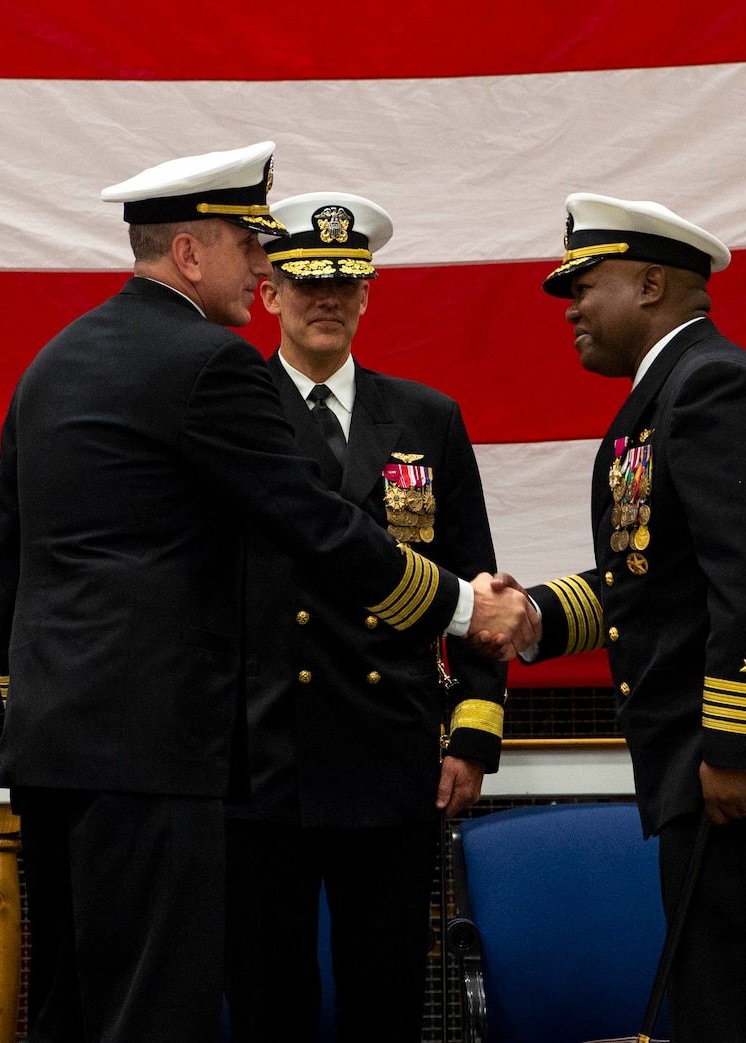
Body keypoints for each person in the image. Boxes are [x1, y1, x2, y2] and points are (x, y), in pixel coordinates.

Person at [0, 143, 534, 1043]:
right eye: (251, 244)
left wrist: (29, 703)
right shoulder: (209, 362)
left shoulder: (54, 360)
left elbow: (6, 557)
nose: (264, 269)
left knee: (75, 1008)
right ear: (192, 254)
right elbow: (316, 527)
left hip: (58, 754)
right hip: (162, 755)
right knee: (154, 1014)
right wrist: (475, 611)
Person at [517, 193, 746, 1042]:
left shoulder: (712, 385)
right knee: (724, 1000)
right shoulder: (674, 391)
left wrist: (738, 747)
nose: (571, 306)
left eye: (585, 284)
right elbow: (659, 576)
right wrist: (534, 615)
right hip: (721, 768)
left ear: (650, 284)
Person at [223, 192, 507, 1041]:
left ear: (369, 294)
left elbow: (475, 586)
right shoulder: (226, 411)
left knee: (385, 997)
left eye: (347, 283)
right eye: (308, 282)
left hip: (392, 753)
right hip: (262, 752)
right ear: (269, 291)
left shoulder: (427, 418)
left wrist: (473, 732)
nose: (327, 301)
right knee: (271, 999)